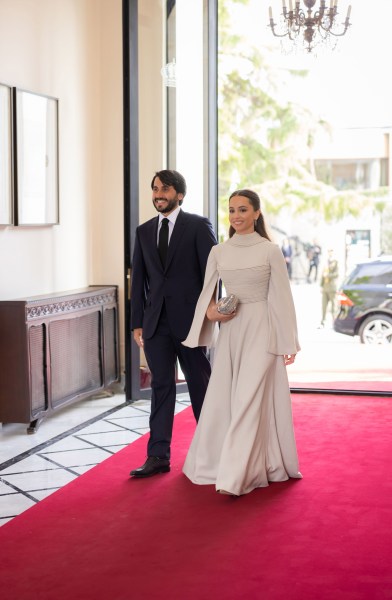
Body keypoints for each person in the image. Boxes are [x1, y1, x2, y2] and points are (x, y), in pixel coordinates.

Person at [182, 189, 302, 496]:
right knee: (230, 396)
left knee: (250, 396)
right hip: (232, 330)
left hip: (263, 328)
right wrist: (214, 313)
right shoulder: (219, 252)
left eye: (243, 210)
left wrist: (288, 341)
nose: (236, 216)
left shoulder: (270, 251)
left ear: (257, 213)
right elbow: (207, 299)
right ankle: (229, 462)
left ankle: (236, 475)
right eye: (232, 210)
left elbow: (282, 299)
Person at [129, 169, 218, 478]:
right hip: (155, 326)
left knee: (200, 386)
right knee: (161, 387)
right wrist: (137, 322)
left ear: (179, 194)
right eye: (154, 188)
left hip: (192, 322)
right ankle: (157, 456)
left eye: (164, 189)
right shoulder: (143, 231)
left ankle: (214, 452)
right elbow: (139, 279)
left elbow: (212, 272)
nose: (158, 194)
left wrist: (210, 311)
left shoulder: (197, 226)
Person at [319, 248, 339, 328]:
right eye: (329, 251)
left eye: (331, 251)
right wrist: (321, 285)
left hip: (332, 287)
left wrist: (327, 275)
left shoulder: (336, 262)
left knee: (334, 306)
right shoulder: (326, 262)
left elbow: (337, 274)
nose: (330, 253)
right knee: (324, 306)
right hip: (325, 287)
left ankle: (334, 322)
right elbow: (322, 274)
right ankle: (322, 321)